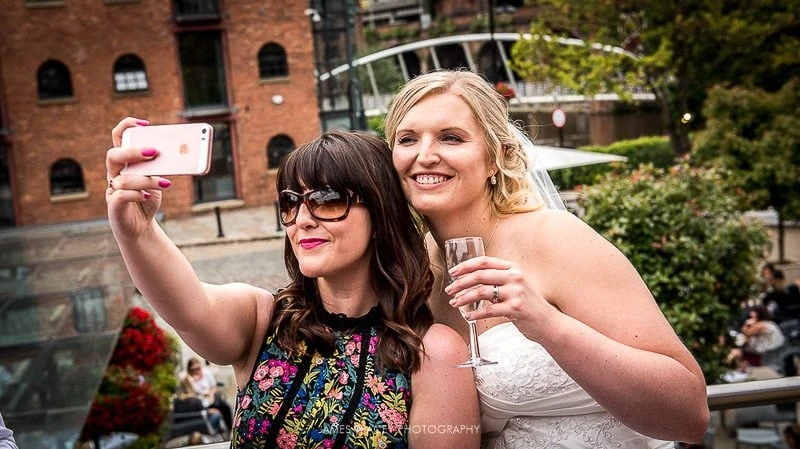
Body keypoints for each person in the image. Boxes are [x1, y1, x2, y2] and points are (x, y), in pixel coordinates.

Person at [383, 69, 710, 448]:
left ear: (497, 158)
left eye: (451, 138)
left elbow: (689, 416)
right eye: (407, 139)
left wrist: (546, 323)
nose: (425, 156)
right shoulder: (414, 266)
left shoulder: (554, 238)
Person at [105, 119, 480, 448]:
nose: (302, 219)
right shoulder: (262, 320)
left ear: (381, 212)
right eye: (290, 202)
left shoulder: (433, 354)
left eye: (327, 199)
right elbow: (187, 308)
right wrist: (136, 231)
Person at [178, 357, 231, 433]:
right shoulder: (189, 379)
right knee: (215, 414)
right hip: (200, 403)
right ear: (190, 370)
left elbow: (214, 387)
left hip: (211, 398)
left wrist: (211, 394)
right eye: (194, 369)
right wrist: (193, 380)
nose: (197, 371)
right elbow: (191, 393)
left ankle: (229, 429)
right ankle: (217, 431)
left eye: (198, 368)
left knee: (225, 407)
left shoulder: (206, 373)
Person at [726, 305, 786, 369]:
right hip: (767, 354)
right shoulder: (769, 323)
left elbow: (746, 334)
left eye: (753, 312)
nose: (750, 314)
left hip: (762, 357)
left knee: (734, 352)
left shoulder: (762, 325)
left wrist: (746, 324)